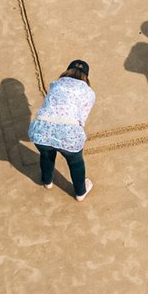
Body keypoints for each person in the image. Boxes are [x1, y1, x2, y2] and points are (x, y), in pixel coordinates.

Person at [28, 60, 98, 200]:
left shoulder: (56, 84)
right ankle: (80, 192)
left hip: (41, 129)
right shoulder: (89, 93)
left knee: (46, 154)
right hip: (69, 132)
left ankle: (47, 181)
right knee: (75, 162)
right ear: (86, 76)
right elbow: (82, 119)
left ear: (68, 71)